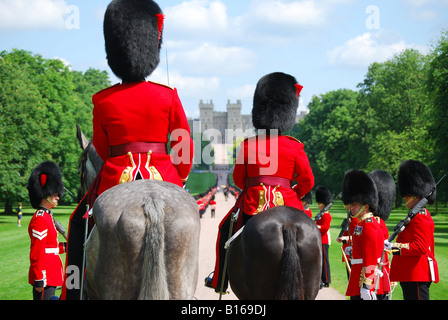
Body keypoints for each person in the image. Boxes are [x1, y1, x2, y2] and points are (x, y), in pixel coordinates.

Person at [63, 0, 194, 300]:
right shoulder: (168, 96)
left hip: (115, 177)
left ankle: (73, 291)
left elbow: (104, 151)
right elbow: (184, 148)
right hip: (165, 176)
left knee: (76, 223)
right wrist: (180, 175)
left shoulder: (103, 100)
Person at [205, 72, 314, 294]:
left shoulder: (248, 145)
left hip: (254, 203)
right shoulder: (295, 146)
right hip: (289, 201)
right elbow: (307, 181)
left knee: (224, 229)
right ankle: (319, 275)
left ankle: (219, 278)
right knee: (312, 233)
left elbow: (238, 179)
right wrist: (296, 192)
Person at [387, 160, 439, 300]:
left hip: (417, 273)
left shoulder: (421, 218)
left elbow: (420, 247)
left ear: (417, 196)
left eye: (408, 195)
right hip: (410, 273)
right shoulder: (414, 216)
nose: (405, 197)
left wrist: (394, 247)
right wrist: (392, 248)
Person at [342, 169, 385, 300]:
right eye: (351, 204)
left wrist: (367, 285)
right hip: (358, 278)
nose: (351, 207)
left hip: (364, 281)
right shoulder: (362, 225)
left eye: (355, 204)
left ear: (365, 206)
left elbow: (370, 259)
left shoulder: (369, 225)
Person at [27, 162, 66, 300]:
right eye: (54, 193)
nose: (57, 196)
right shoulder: (40, 219)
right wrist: (39, 278)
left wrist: (66, 247)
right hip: (45, 277)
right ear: (45, 194)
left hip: (52, 274)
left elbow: (50, 247)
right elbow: (37, 251)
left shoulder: (47, 217)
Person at [315, 186, 332, 288]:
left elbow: (325, 228)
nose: (318, 205)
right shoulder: (321, 214)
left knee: (325, 261)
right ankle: (321, 278)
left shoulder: (326, 215)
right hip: (319, 239)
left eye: (320, 203)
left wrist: (316, 226)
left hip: (324, 240)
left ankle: (326, 280)